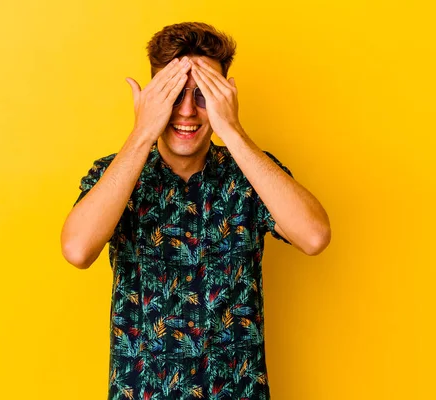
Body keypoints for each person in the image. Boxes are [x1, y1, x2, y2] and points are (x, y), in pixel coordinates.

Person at [61, 21, 331, 400]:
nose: (187, 111)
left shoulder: (251, 173)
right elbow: (77, 250)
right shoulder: (115, 174)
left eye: (203, 95)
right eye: (173, 95)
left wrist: (232, 129)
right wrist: (141, 133)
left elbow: (315, 236)